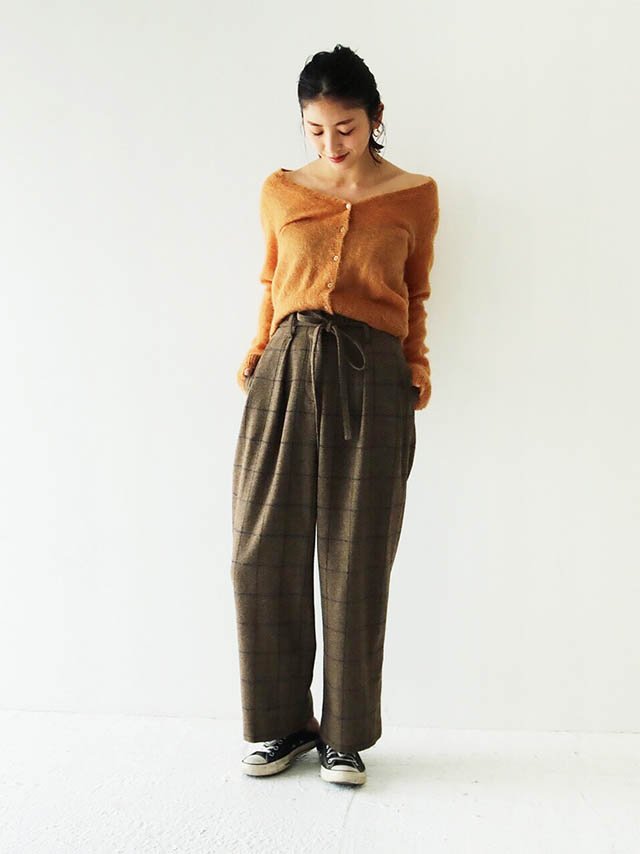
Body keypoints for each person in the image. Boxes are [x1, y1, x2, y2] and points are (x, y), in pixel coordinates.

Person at [230, 44, 440, 786]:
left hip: (373, 374)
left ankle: (344, 736)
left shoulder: (415, 194)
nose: (331, 142)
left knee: (356, 557)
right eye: (315, 129)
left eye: (345, 128)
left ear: (375, 117)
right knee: (260, 553)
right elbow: (271, 281)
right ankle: (281, 724)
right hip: (286, 366)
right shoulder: (281, 190)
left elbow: (415, 292)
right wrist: (257, 352)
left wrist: (415, 368)